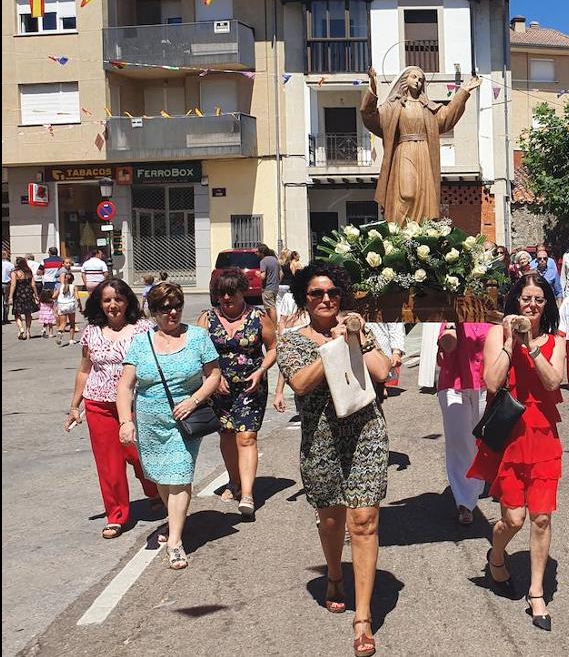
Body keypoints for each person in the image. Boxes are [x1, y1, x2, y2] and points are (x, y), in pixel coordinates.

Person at [278, 263, 391, 655]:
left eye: (333, 292)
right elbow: (300, 383)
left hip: (365, 435)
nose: (326, 299)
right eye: (317, 293)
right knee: (331, 519)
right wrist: (334, 346)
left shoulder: (357, 329)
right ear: (304, 299)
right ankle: (334, 573)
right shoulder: (292, 341)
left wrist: (356, 337)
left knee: (364, 521)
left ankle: (363, 618)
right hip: (321, 440)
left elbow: (382, 371)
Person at [468, 274, 566, 631]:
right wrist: (512, 342)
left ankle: (536, 592)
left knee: (541, 518)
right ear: (516, 302)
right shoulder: (499, 335)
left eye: (539, 299)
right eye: (526, 299)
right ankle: (496, 556)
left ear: (546, 305)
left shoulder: (557, 340)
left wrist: (532, 348)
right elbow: (492, 382)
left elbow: (553, 382)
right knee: (513, 519)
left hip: (543, 436)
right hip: (509, 435)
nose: (532, 305)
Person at [117, 281, 222, 569]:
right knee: (161, 477)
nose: (172, 312)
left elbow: (214, 375)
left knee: (179, 475)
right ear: (153, 312)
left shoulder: (198, 337)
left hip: (184, 420)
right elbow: (125, 386)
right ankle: (174, 518)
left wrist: (194, 400)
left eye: (177, 306)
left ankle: (175, 541)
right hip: (149, 421)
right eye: (165, 308)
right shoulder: (141, 342)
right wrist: (126, 421)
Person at [66, 278, 160, 538]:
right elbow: (84, 369)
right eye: (107, 300)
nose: (113, 305)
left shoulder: (143, 329)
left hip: (135, 403)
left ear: (128, 301)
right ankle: (116, 515)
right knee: (109, 463)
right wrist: (75, 405)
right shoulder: (92, 331)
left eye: (118, 299)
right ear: (99, 303)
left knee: (137, 455)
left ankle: (154, 490)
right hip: (98, 404)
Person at [197, 269, 276, 520]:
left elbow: (273, 347)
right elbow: (197, 352)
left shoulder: (258, 317)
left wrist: (261, 370)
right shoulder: (207, 319)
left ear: (242, 291)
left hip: (251, 386)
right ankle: (234, 481)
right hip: (218, 387)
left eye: (231, 292)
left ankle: (248, 495)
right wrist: (211, 377)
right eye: (221, 293)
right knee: (228, 435)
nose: (226, 298)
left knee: (247, 437)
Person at [436, 320, 490, 526]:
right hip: (453, 384)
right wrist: (451, 325)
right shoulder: (448, 316)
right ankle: (465, 501)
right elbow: (448, 346)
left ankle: (479, 479)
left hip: (486, 383)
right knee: (458, 442)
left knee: (481, 439)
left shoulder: (491, 315)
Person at [9, 256, 40, 339]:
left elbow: (13, 285)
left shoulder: (15, 272)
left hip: (18, 295)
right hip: (28, 294)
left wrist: (10, 296)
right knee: (28, 313)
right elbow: (33, 284)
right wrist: (36, 295)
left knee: (17, 313)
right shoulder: (28, 272)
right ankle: (28, 331)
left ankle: (21, 329)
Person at [56, 269, 80, 345]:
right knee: (72, 323)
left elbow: (54, 296)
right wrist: (80, 305)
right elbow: (77, 297)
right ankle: (71, 340)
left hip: (61, 305)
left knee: (63, 323)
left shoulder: (60, 287)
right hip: (70, 305)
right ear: (73, 279)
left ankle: (60, 333)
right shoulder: (74, 287)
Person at [257, 243, 280, 312]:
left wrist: (258, 274)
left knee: (270, 308)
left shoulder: (263, 261)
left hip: (268, 288)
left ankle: (274, 319)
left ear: (261, 252)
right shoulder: (275, 260)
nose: (256, 253)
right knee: (272, 307)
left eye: (257, 251)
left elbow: (263, 276)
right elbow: (281, 273)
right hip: (275, 287)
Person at [1, 249, 12, 324]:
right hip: (6, 284)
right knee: (6, 301)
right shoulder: (10, 265)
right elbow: (12, 275)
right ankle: (5, 318)